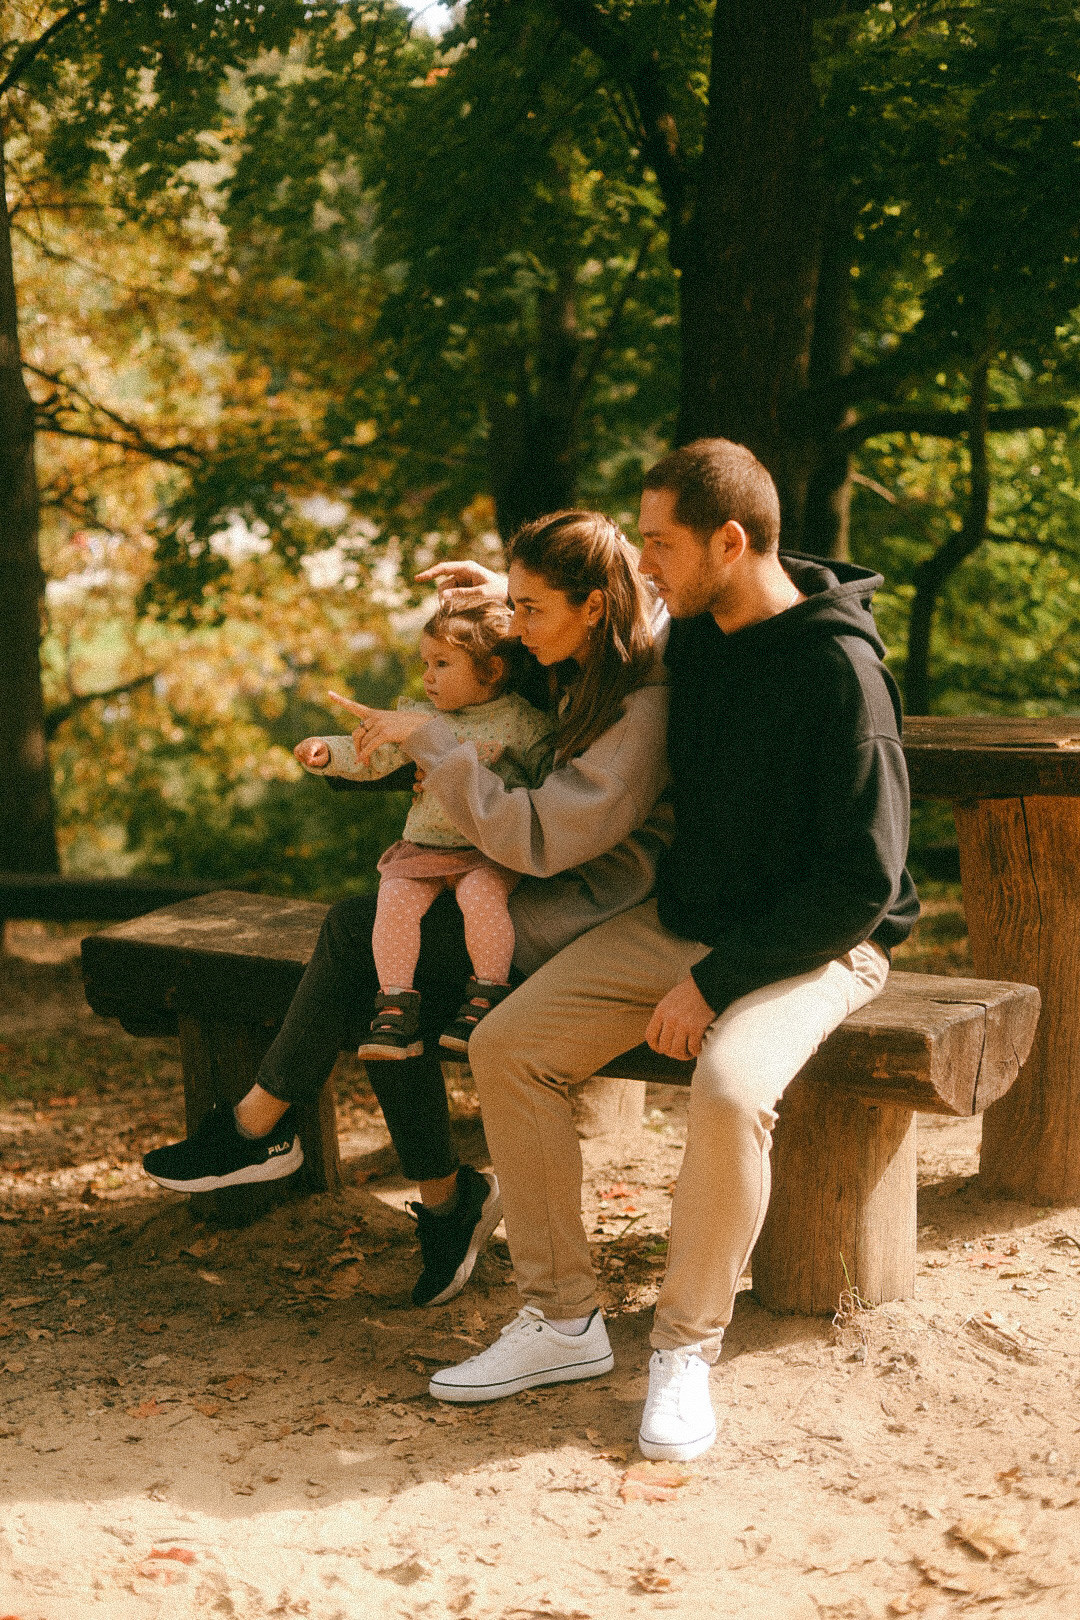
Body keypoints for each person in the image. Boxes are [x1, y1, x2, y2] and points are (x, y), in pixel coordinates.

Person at [425, 439, 920, 1463]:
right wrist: (501, 600)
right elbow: (601, 617)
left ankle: (685, 1350)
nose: (646, 561)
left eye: (661, 542)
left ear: (729, 542)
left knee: (732, 1089)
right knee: (508, 1047)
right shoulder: (696, 632)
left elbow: (862, 881)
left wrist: (716, 983)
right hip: (692, 923)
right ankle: (562, 1322)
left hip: (822, 942)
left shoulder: (840, 673)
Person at [141, 510, 673, 1310]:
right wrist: (500, 608)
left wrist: (432, 745)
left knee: (369, 941)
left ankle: (274, 1133)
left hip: (592, 911)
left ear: (592, 606)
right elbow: (501, 746)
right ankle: (428, 1196)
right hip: (543, 882)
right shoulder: (588, 654)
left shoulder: (641, 702)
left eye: (531, 609)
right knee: (385, 955)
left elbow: (539, 836)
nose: (516, 629)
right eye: (514, 608)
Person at [295, 600, 555, 1059]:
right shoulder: (418, 717)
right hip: (425, 849)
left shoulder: (522, 721)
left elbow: (549, 776)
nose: (428, 676)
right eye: (425, 664)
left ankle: (488, 994)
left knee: (481, 899)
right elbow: (373, 753)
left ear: (492, 670)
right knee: (393, 903)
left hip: (486, 851)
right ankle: (395, 1006)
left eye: (442, 663)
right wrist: (328, 753)